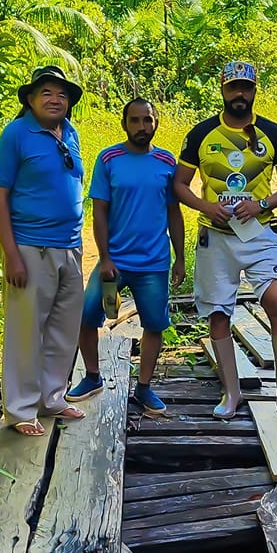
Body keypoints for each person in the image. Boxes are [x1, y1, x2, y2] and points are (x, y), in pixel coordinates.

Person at [175, 60, 277, 421]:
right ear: (222, 89)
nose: (239, 94)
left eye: (245, 88)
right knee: (218, 314)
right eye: (233, 87)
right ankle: (231, 393)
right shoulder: (202, 134)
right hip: (216, 237)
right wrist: (206, 206)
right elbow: (179, 184)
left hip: (260, 231)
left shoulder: (273, 134)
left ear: (254, 90)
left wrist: (261, 203)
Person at [69, 96, 186, 416]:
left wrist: (179, 258)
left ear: (156, 123)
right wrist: (105, 258)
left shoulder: (166, 162)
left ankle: (145, 387)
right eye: (134, 120)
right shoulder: (109, 159)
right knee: (86, 315)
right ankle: (92, 376)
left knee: (155, 324)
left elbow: (174, 212)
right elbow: (100, 213)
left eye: (147, 120)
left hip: (154, 263)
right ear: (124, 124)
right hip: (115, 262)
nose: (141, 126)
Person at [0, 65, 86, 436]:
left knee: (63, 329)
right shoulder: (16, 134)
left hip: (70, 247)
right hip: (30, 247)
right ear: (30, 99)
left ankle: (52, 398)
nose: (55, 99)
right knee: (27, 331)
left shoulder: (70, 133)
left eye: (61, 94)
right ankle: (20, 409)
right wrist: (10, 253)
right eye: (46, 92)